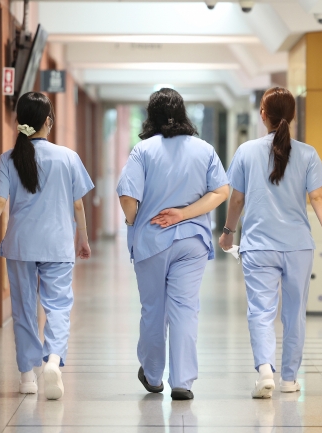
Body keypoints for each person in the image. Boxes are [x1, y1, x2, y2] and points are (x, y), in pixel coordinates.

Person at [219, 87, 322, 399]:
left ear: (263, 115)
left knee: (260, 311)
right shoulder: (308, 153)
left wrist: (228, 232)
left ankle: (264, 373)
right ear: (294, 115)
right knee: (294, 312)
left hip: (258, 246)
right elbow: (318, 197)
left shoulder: (246, 151)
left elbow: (237, 200)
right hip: (298, 246)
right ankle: (288, 379)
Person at [0, 92, 94, 400]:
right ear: (48, 122)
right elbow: (78, 205)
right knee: (58, 307)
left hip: (20, 245)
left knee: (24, 310)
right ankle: (53, 360)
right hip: (57, 245)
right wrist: (82, 238)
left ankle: (27, 377)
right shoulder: (68, 157)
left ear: (20, 122)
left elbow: (0, 201)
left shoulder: (8, 158)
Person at [117, 88, 229, 400]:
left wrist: (132, 221)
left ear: (150, 116)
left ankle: (153, 376)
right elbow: (221, 192)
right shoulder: (204, 149)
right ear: (182, 114)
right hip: (192, 241)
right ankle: (182, 382)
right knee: (185, 308)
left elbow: (127, 197)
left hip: (152, 240)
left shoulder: (142, 151)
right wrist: (185, 214)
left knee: (154, 309)